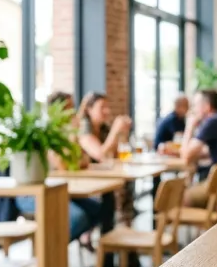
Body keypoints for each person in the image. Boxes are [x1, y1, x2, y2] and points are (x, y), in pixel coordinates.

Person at [15, 92, 102, 244]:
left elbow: (82, 162)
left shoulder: (64, 134)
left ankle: (56, 249)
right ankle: (51, 253)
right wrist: (74, 134)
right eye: (69, 108)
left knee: (98, 210)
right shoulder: (46, 133)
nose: (73, 113)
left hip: (58, 190)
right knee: (77, 217)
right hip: (33, 194)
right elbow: (64, 165)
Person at [77, 92, 132, 162]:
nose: (107, 111)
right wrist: (115, 130)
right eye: (102, 107)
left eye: (107, 107)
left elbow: (115, 155)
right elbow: (100, 155)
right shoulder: (82, 128)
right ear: (89, 110)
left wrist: (121, 133)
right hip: (87, 172)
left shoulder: (104, 128)